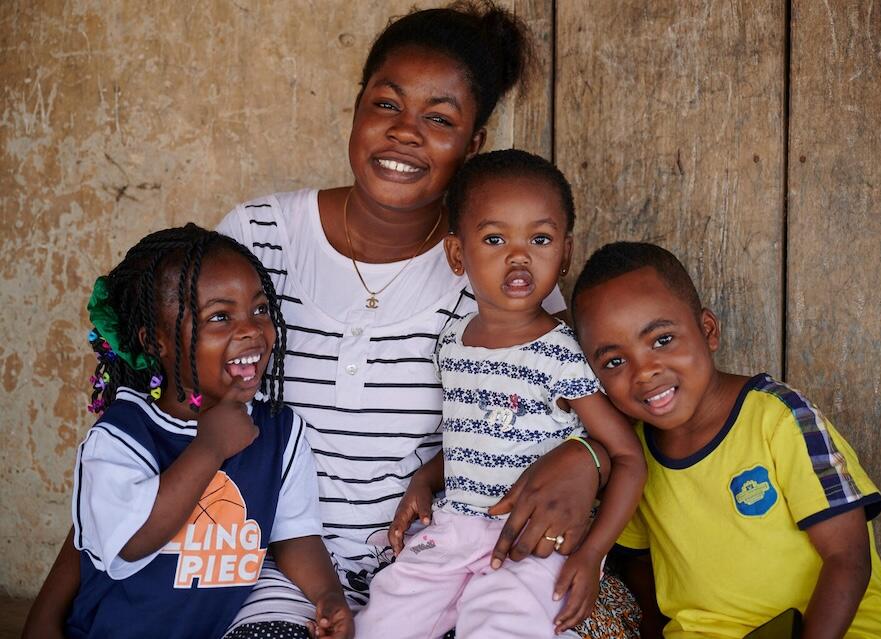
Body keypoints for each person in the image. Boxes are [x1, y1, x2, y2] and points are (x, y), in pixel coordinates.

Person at [23, 2, 641, 638]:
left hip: (457, 566)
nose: (405, 132)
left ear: (473, 144)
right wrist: (49, 612)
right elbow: (151, 426)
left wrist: (584, 458)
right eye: (386, 105)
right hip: (281, 575)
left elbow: (590, 411)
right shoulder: (257, 239)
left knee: (596, 623)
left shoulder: (501, 267)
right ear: (356, 106)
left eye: (439, 118)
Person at [352, 150, 646, 638]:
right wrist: (426, 478)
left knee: (502, 627)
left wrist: (592, 555)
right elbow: (477, 436)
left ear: (566, 253)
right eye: (494, 239)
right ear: (457, 255)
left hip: (532, 541)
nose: (519, 256)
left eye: (540, 238)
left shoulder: (561, 353)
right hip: (452, 530)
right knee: (381, 621)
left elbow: (626, 455)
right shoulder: (454, 341)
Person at [571, 242, 881, 639]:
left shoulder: (779, 418)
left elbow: (847, 557)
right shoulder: (634, 458)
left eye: (661, 340)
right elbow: (639, 566)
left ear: (708, 330)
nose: (645, 372)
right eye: (614, 362)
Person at [65, 225, 352, 639]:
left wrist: (328, 596)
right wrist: (210, 448)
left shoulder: (279, 432)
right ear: (156, 342)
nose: (251, 329)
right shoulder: (121, 436)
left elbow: (294, 536)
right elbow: (132, 540)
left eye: (259, 310)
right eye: (220, 317)